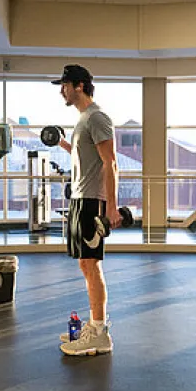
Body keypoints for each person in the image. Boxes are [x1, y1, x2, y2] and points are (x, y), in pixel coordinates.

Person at [54, 65, 121, 356]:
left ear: (79, 86)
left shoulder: (97, 117)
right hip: (80, 198)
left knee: (91, 264)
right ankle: (95, 325)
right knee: (84, 263)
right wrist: (63, 144)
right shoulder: (83, 120)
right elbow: (88, 157)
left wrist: (112, 206)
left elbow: (110, 162)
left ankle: (99, 333)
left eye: (65, 85)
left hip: (93, 200)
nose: (62, 90)